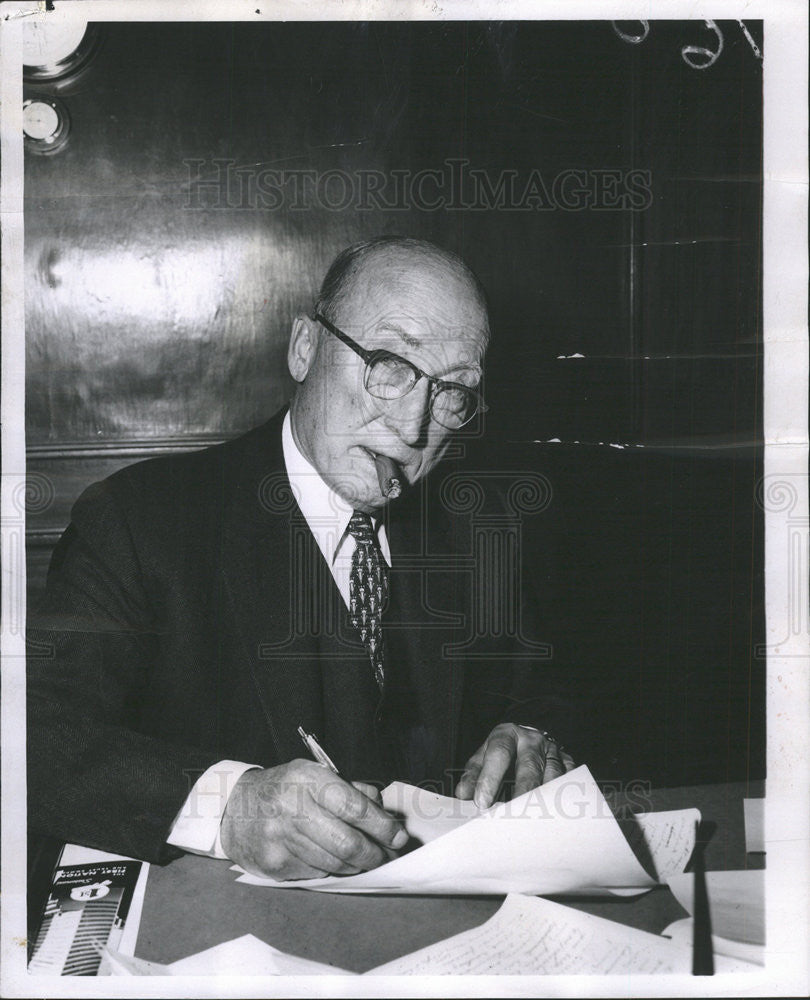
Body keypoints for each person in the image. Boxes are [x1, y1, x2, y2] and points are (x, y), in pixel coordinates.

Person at [27, 236, 574, 881]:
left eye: (453, 391)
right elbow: (33, 734)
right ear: (305, 348)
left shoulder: (477, 528)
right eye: (389, 365)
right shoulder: (139, 521)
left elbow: (545, 691)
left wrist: (530, 736)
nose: (414, 427)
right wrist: (225, 806)